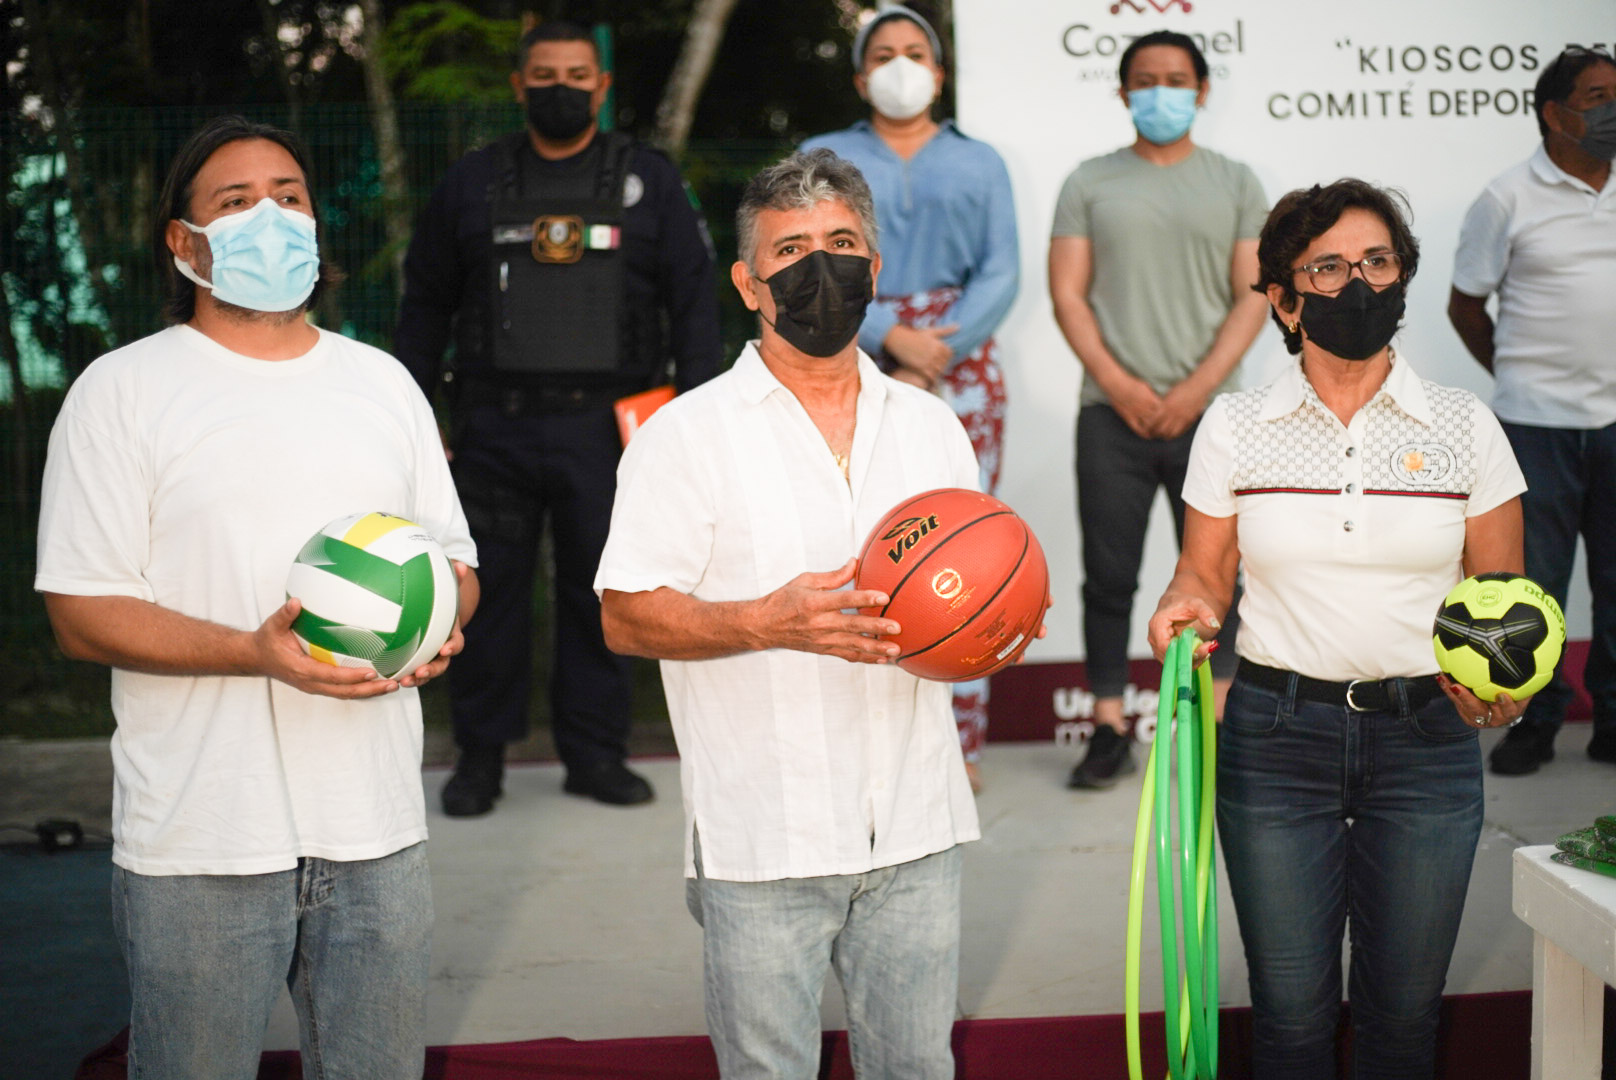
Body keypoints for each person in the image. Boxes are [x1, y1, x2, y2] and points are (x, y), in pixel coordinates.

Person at [34, 115, 479, 1080]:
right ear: (184, 241)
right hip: (202, 835)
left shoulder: (382, 383)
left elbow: (454, 561)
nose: (269, 218)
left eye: (288, 197)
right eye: (235, 203)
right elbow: (79, 613)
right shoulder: (121, 391)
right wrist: (252, 651)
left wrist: (441, 626)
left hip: (375, 828)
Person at [595, 149, 1000, 1079]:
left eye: (842, 243)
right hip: (761, 838)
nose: (822, 266)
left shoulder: (932, 427)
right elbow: (624, 617)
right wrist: (764, 622)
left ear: (876, 268)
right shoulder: (684, 434)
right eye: (791, 250)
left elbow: (966, 597)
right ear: (749, 284)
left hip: (917, 828)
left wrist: (994, 625)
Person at [1148, 179, 1527, 1077]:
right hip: (1275, 740)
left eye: (1377, 261)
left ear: (1402, 278)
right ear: (1284, 300)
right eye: (1327, 268)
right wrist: (1182, 608)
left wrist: (1503, 685)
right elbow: (1203, 573)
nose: (1359, 284)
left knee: (1404, 1016)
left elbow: (1502, 596)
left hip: (1427, 739)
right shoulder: (1236, 425)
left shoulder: (1466, 427)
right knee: (1290, 1017)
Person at [395, 21, 723, 814]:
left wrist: (698, 426)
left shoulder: (649, 180)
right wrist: (413, 424)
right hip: (493, 429)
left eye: (577, 75)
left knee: (602, 595)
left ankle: (595, 754)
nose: (561, 88)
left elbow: (694, 306)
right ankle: (479, 759)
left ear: (602, 87)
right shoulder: (472, 182)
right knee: (485, 594)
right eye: (544, 75)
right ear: (519, 85)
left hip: (611, 434)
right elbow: (425, 308)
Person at [801, 3, 1019, 791]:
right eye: (883, 53)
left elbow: (1002, 271)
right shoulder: (823, 156)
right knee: (859, 538)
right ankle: (858, 744)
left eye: (915, 52)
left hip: (962, 355)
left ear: (939, 70)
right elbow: (813, 261)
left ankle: (960, 747)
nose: (901, 65)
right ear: (862, 78)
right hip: (850, 347)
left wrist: (938, 352)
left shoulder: (980, 160)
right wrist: (891, 337)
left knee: (967, 547)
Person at [1048, 30, 1267, 789]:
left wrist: (1197, 389)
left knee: (1219, 575)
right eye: (1145, 80)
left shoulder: (1236, 181)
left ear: (1202, 90)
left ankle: (1222, 722)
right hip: (1110, 413)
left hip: (1213, 416)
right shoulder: (1088, 181)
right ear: (1122, 92)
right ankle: (1109, 726)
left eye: (1177, 79)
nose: (1161, 92)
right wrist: (1122, 385)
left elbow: (1253, 296)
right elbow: (1067, 293)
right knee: (1108, 576)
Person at [1448, 45, 1616, 776]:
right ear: (1554, 113)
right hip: (1534, 425)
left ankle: (1613, 717)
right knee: (1530, 590)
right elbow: (1465, 305)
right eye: (1598, 97)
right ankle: (1533, 720)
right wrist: (1519, 374)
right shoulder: (1507, 195)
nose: (1612, 110)